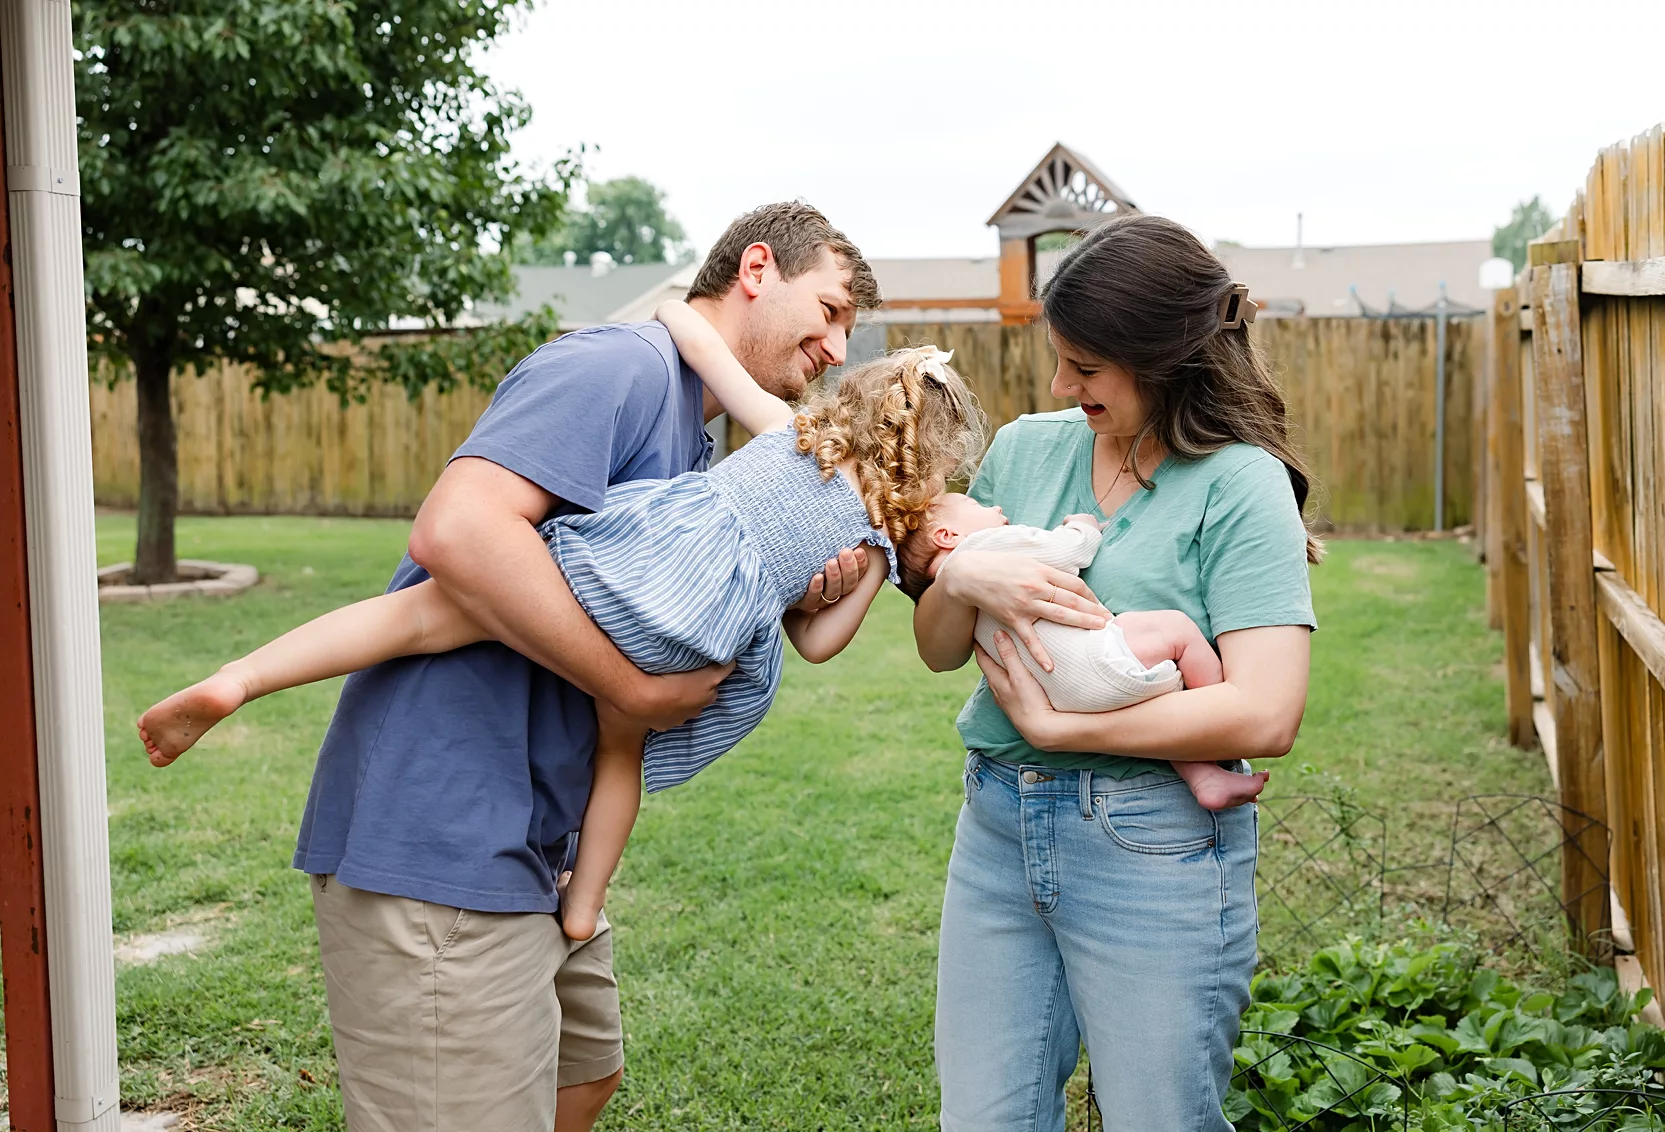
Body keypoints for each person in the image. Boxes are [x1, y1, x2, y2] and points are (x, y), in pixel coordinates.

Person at [167, 202, 883, 1132]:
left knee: (581, 1080)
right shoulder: (619, 368)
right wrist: (630, 691)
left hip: (540, 847)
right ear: (755, 269)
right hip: (444, 841)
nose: (834, 347)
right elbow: (457, 530)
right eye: (827, 311)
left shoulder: (700, 438)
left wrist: (808, 590)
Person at [139, 304, 984, 944]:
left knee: (422, 616)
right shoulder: (873, 539)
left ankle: (238, 678)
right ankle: (582, 906)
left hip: (631, 564)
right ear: (935, 464)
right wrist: (822, 593)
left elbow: (704, 351)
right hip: (692, 634)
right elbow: (818, 643)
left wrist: (679, 314)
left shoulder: (795, 435)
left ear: (861, 405)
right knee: (619, 748)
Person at [912, 213, 1321, 1131]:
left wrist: (1067, 730)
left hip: (1153, 847)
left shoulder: (1237, 482)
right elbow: (941, 648)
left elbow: (1265, 712)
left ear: (1164, 358)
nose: (1062, 385)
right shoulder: (1026, 449)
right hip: (997, 827)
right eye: (1061, 361)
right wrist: (961, 573)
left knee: (1157, 1119)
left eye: (1086, 369)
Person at [895, 494, 1268, 812]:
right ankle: (1214, 747)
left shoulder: (959, 603)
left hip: (1053, 694)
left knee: (1147, 700)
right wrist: (1083, 526)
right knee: (1178, 632)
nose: (994, 506)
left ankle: (1201, 776)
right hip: (1098, 662)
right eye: (976, 504)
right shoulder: (985, 546)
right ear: (947, 536)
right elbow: (1066, 552)